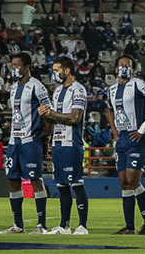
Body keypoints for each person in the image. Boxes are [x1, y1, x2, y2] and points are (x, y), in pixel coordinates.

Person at [105, 54, 145, 235]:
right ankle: (129, 227)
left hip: (137, 137)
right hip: (122, 138)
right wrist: (114, 131)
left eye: (128, 65)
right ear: (115, 69)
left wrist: (143, 127)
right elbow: (108, 109)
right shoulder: (112, 89)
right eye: (121, 64)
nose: (124, 67)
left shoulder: (139, 84)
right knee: (124, 182)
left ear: (133, 69)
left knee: (133, 179)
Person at [0, 52, 51, 235]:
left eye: (17, 65)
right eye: (12, 65)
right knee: (13, 181)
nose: (14, 68)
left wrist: (46, 138)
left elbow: (47, 113)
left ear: (27, 66)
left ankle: (41, 225)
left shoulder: (37, 87)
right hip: (15, 141)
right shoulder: (13, 88)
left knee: (36, 180)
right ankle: (18, 225)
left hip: (31, 140)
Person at [38, 57, 89, 235]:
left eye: (57, 69)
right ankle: (64, 225)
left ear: (67, 70)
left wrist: (51, 113)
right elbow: (55, 117)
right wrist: (45, 115)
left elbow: (75, 117)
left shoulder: (78, 90)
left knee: (76, 183)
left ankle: (82, 226)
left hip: (72, 143)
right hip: (58, 143)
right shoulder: (58, 91)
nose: (55, 73)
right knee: (61, 186)